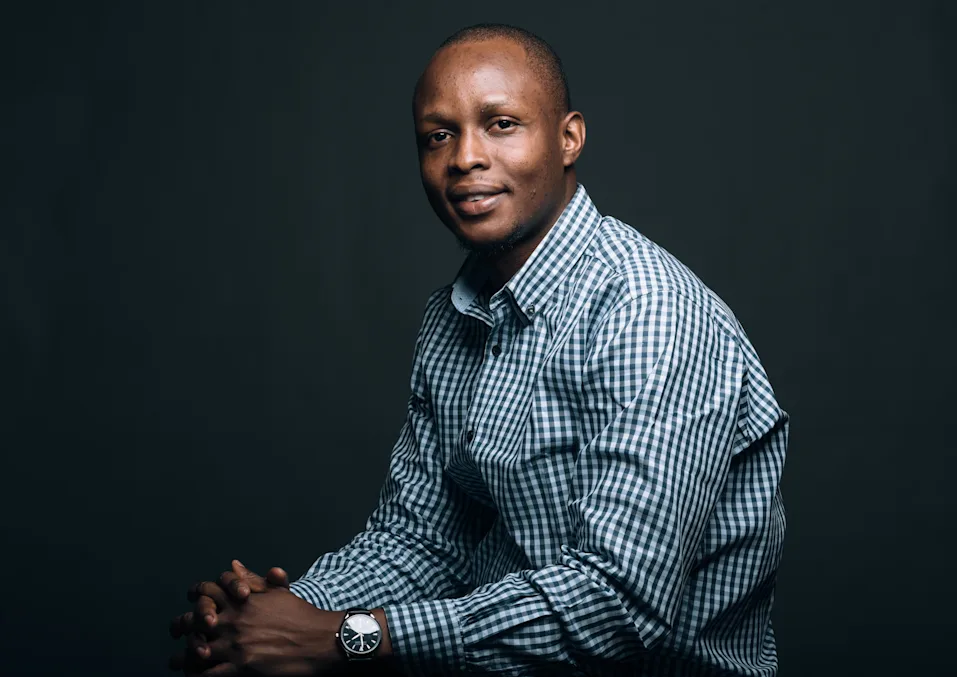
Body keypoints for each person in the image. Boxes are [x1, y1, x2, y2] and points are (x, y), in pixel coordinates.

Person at [169, 23, 788, 677]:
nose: (464, 157)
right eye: (438, 135)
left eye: (500, 124)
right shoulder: (453, 317)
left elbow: (614, 606)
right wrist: (273, 617)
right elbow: (422, 541)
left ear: (569, 138)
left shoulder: (646, 312)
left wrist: (340, 637)